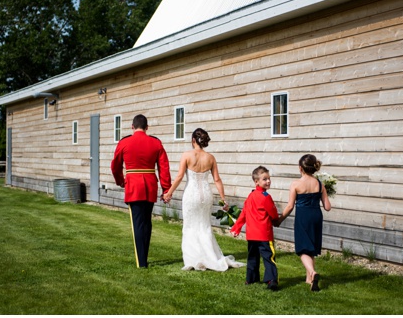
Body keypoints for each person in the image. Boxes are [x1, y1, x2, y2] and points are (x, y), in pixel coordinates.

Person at [163, 128, 243, 271]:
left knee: (190, 226)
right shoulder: (210, 158)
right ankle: (210, 256)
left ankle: (192, 259)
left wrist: (169, 193)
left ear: (193, 140)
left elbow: (180, 176)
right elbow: (217, 179)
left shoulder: (187, 155)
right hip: (206, 195)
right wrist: (223, 199)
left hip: (191, 194)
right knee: (204, 226)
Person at [111, 114, 171, 268]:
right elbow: (164, 167)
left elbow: (115, 166)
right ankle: (144, 257)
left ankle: (142, 262)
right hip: (150, 185)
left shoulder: (124, 142)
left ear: (132, 127)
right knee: (146, 222)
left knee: (138, 223)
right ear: (147, 127)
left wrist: (120, 181)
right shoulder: (156, 143)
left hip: (133, 186)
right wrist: (166, 188)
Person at [277, 154, 332, 292]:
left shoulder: (296, 184)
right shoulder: (320, 184)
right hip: (316, 216)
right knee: (311, 247)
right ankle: (309, 279)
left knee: (302, 248)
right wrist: (324, 193)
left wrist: (279, 220)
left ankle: (312, 272)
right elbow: (327, 207)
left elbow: (290, 206)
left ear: (300, 168)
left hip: (303, 217)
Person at [230, 166, 281, 291]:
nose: (268, 181)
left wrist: (236, 228)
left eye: (269, 179)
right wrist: (276, 220)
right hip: (264, 234)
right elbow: (273, 213)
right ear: (256, 181)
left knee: (252, 256)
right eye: (265, 179)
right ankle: (271, 280)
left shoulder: (251, 196)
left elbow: (244, 214)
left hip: (252, 235)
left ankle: (251, 278)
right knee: (269, 257)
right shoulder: (266, 197)